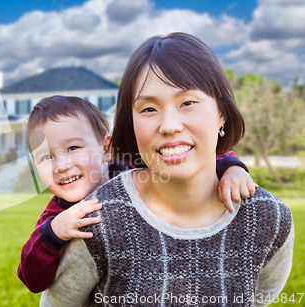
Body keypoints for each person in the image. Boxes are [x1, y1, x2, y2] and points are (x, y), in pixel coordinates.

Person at [40, 33, 294, 307]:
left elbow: (259, 300)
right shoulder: (96, 220)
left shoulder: (268, 219)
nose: (169, 125)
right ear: (132, 123)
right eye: (149, 108)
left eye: (187, 103)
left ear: (222, 112)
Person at [18, 95, 256, 293]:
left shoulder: (135, 173)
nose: (61, 165)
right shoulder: (57, 215)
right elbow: (32, 279)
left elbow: (193, 161)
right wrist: (52, 234)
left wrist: (231, 168)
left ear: (105, 148)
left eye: (72, 148)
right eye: (46, 157)